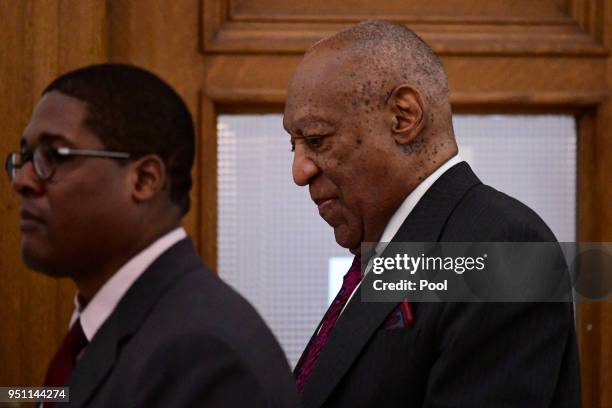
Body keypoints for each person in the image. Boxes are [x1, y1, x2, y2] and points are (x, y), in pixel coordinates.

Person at [283, 20, 580, 407]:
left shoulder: (502, 249)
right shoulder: (390, 252)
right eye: (295, 145)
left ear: (403, 117)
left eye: (317, 139)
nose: (299, 172)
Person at [7, 63, 298, 407]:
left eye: (53, 155)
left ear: (144, 180)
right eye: (24, 157)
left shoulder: (203, 353)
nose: (22, 180)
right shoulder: (107, 329)